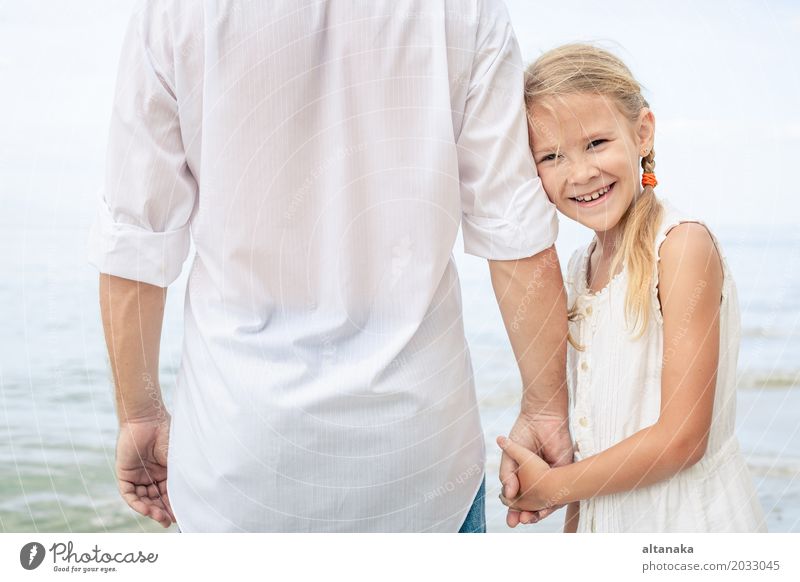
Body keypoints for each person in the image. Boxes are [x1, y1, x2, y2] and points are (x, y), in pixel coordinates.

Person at [88, 0, 570, 532]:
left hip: (240, 468)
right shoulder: (466, 11)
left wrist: (140, 415)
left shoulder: (173, 14)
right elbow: (514, 233)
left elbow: (135, 242)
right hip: (421, 465)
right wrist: (546, 407)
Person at [497, 43, 767, 532]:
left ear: (642, 133)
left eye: (596, 143)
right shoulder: (578, 269)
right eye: (552, 156)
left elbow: (682, 438)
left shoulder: (681, 248)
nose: (581, 173)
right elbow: (589, 438)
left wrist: (554, 486)